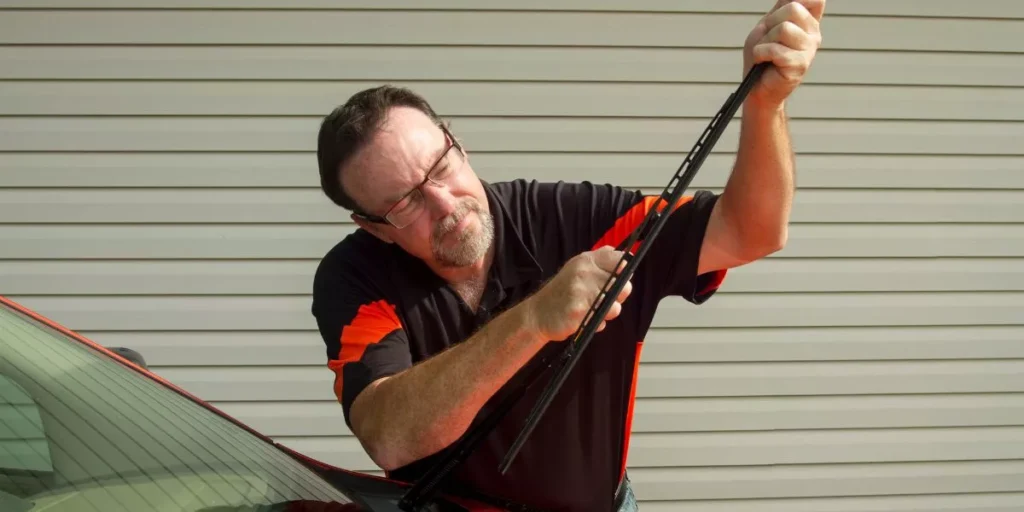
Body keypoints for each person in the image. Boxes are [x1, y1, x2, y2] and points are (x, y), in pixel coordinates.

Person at [310, 1, 824, 510]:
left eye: (441, 166)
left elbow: (748, 232)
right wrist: (533, 319)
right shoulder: (355, 276)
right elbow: (389, 436)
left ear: (457, 144)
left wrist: (766, 106)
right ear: (372, 226)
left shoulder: (574, 219)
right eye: (405, 203)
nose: (445, 204)